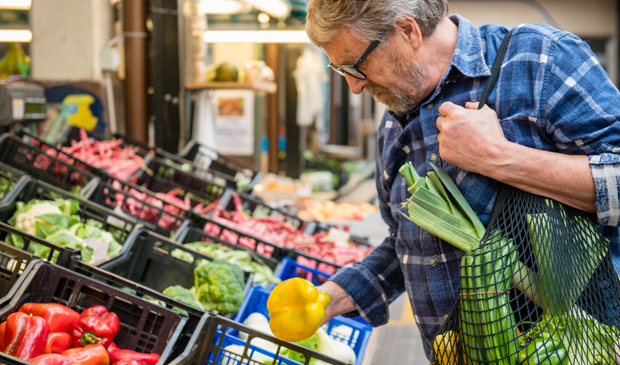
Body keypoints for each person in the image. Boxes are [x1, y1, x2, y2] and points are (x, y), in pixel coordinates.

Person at [304, 0, 620, 360]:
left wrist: (501, 158)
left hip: (576, 348)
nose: (354, 87)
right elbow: (411, 243)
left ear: (408, 31)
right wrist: (332, 298)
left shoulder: (539, 60)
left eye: (354, 66)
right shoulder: (393, 121)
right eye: (338, 70)